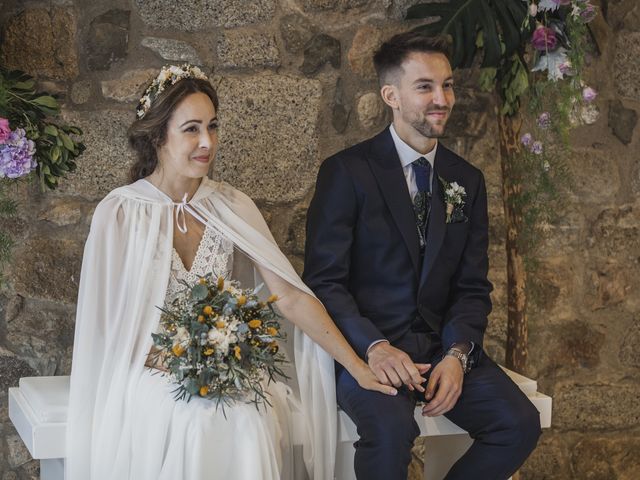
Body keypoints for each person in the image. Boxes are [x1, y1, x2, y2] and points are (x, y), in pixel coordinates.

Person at [66, 64, 397, 480]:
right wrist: (188, 361)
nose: (207, 142)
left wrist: (357, 365)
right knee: (202, 421)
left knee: (248, 415)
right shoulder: (120, 212)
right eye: (191, 129)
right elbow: (107, 329)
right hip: (149, 374)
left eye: (213, 126)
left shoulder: (231, 206)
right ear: (157, 136)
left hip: (226, 371)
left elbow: (291, 297)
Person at [303, 32, 542, 480]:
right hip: (369, 352)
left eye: (447, 85)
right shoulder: (347, 172)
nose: (442, 99)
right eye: (425, 86)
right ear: (390, 95)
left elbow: (473, 287)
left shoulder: (466, 180)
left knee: (519, 424)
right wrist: (374, 348)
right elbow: (324, 282)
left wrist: (457, 353)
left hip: (440, 349)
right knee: (391, 433)